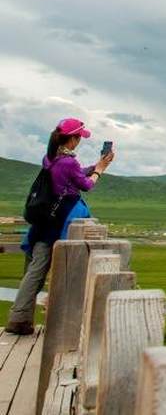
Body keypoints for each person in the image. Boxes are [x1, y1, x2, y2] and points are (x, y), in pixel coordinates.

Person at [4, 118, 114, 335]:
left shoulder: (52, 158)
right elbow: (86, 185)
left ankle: (22, 318)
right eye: (79, 138)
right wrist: (99, 170)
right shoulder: (68, 162)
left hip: (42, 220)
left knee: (33, 268)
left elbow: (71, 175)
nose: (79, 142)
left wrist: (95, 165)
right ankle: (18, 319)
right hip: (57, 221)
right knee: (38, 270)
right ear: (72, 139)